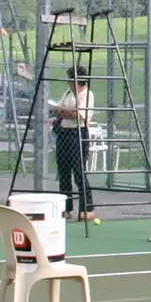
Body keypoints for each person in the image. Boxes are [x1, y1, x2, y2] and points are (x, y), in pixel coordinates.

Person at [51, 68, 97, 223]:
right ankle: (67, 209)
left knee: (79, 172)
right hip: (64, 133)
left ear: (77, 81)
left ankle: (87, 208)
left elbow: (78, 115)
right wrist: (65, 111)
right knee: (63, 172)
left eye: (71, 80)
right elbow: (57, 109)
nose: (69, 83)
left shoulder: (87, 95)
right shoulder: (68, 93)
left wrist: (66, 111)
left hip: (78, 134)